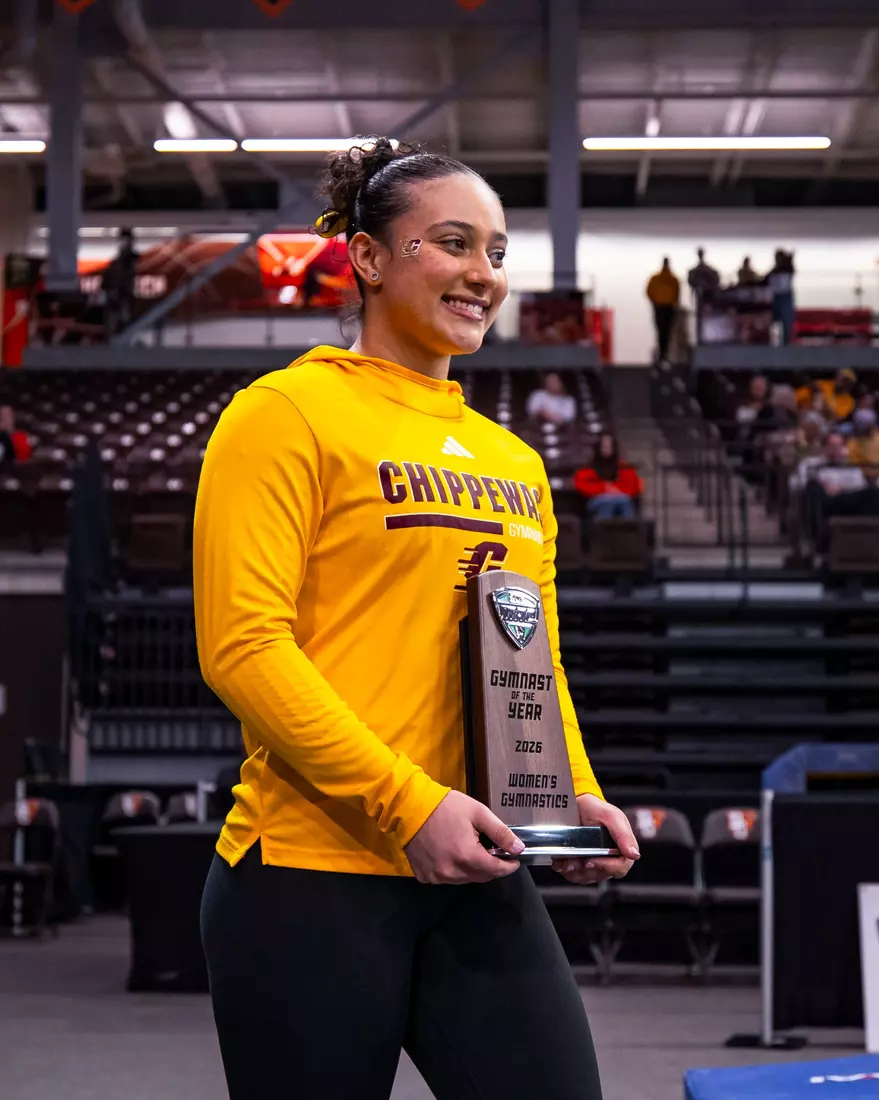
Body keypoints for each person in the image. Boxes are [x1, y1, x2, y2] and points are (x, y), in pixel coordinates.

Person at [193, 136, 638, 1100]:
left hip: (478, 858)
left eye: (497, 251)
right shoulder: (284, 414)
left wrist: (565, 800)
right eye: (451, 243)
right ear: (366, 258)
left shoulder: (512, 460)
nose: (484, 274)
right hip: (312, 871)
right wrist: (409, 803)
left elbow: (531, 657)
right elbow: (243, 646)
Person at [573, 432, 643, 519]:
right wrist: (605, 488)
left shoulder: (624, 467)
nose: (607, 447)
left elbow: (634, 486)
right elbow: (581, 486)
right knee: (609, 501)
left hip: (621, 498)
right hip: (596, 499)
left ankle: (628, 529)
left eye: (609, 445)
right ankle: (604, 531)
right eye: (604, 445)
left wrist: (615, 490)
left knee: (623, 501)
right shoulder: (587, 468)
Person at [645, 257, 680, 363]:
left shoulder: (656, 278)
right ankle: (663, 353)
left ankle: (662, 353)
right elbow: (677, 294)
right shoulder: (673, 279)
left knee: (661, 330)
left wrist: (654, 301)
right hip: (667, 306)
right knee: (667, 331)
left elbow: (649, 291)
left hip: (660, 306)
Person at [767, 249, 796, 345]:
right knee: (777, 321)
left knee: (785, 320)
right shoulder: (776, 270)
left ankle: (786, 341)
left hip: (784, 296)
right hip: (777, 297)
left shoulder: (786, 268)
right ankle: (778, 341)